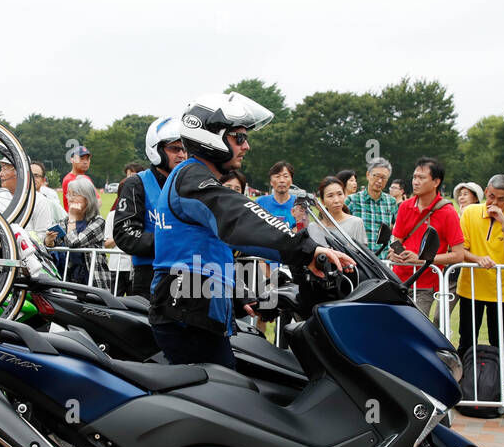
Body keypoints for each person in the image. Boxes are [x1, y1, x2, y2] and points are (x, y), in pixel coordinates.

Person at [150, 91, 354, 368]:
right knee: (222, 399)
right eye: (239, 138)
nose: (246, 147)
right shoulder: (192, 176)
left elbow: (209, 249)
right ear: (212, 137)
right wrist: (304, 249)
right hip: (187, 308)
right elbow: (239, 216)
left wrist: (238, 293)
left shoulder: (193, 177)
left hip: (193, 304)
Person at [112, 117, 186, 298]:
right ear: (157, 150)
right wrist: (173, 242)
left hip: (190, 276)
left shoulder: (191, 183)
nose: (182, 155)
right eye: (175, 149)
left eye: (185, 149)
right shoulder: (137, 183)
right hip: (150, 276)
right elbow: (124, 233)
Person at [388, 158, 465, 318]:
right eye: (414, 177)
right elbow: (397, 240)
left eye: (421, 178)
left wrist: (422, 260)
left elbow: (458, 255)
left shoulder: (448, 212)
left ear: (436, 182)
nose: (415, 182)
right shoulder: (404, 206)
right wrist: (396, 252)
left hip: (424, 284)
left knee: (414, 328)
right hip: (397, 278)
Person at [454, 174, 504, 354]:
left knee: (498, 340)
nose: (494, 202)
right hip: (471, 288)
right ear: (485, 192)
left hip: (501, 291)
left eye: (501, 199)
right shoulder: (470, 212)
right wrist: (478, 259)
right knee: (467, 340)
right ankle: (465, 380)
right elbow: (461, 250)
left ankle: (499, 382)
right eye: (491, 196)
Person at [48, 174, 109, 288]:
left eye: (75, 195)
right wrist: (49, 241)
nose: (70, 198)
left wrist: (72, 218)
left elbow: (74, 243)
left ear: (88, 198)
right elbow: (56, 242)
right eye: (68, 194)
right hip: (71, 277)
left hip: (93, 279)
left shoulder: (97, 222)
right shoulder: (64, 221)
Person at [345, 158, 398, 259]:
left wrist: (398, 252)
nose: (379, 181)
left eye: (384, 178)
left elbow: (398, 232)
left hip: (383, 262)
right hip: (359, 261)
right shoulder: (352, 200)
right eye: (376, 176)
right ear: (368, 175)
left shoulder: (391, 202)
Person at [103, 162, 141, 291]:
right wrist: (121, 236)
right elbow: (106, 243)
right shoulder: (112, 215)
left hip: (134, 267)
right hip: (116, 266)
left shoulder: (142, 213)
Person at [317, 175, 367, 246]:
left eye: (340, 194)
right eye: (330, 196)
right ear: (322, 201)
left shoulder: (356, 223)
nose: (336, 200)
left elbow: (362, 254)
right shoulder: (317, 227)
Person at [255, 161, 298, 227]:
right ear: (271, 182)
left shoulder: (299, 203)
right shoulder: (260, 203)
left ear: (291, 181)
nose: (282, 180)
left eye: (285, 176)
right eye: (277, 176)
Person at [60, 144, 91, 212]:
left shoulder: (87, 178)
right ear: (72, 160)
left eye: (87, 159)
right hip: (76, 219)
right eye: (81, 158)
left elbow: (97, 201)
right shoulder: (70, 180)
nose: (85, 162)